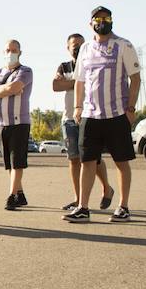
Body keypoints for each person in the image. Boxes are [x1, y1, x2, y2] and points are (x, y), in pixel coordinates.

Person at [64, 7, 139, 223]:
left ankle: (123, 207)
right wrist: (78, 108)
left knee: (121, 161)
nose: (102, 22)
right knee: (87, 161)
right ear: (91, 23)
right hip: (90, 115)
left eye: (106, 18)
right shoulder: (86, 48)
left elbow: (135, 78)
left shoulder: (124, 45)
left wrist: (131, 108)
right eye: (98, 19)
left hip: (117, 114)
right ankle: (83, 207)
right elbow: (79, 81)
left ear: (112, 21)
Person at [53, 33, 112, 212]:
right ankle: (79, 199)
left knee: (93, 158)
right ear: (68, 47)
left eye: (80, 44)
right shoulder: (63, 66)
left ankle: (107, 188)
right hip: (69, 119)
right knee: (74, 159)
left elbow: (92, 84)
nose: (77, 47)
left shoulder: (91, 62)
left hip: (90, 117)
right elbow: (56, 86)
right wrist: (77, 82)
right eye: (74, 45)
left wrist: (71, 83)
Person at [0, 39, 33, 211]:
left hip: (19, 122)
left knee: (16, 161)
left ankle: (12, 195)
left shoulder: (25, 71)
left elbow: (16, 86)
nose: (10, 53)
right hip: (0, 123)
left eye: (14, 50)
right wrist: (6, 89)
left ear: (20, 52)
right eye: (7, 50)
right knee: (8, 162)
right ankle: (20, 193)